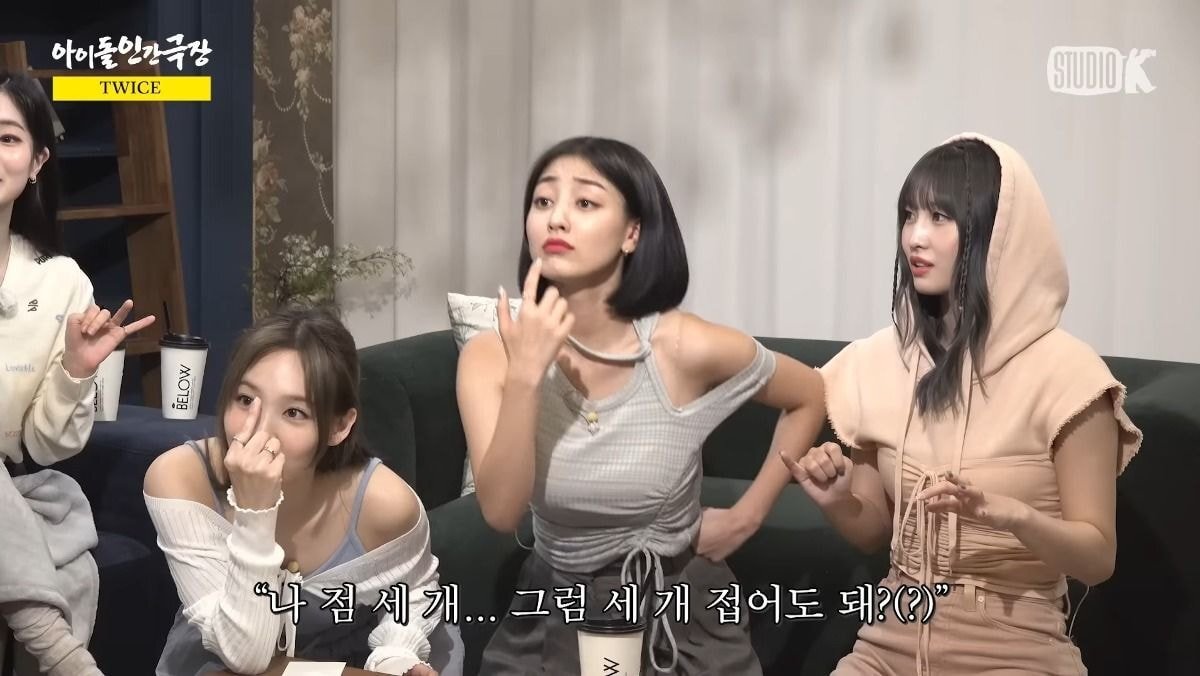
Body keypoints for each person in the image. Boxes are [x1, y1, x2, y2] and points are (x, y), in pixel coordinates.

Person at [457, 136, 827, 674]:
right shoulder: (489, 356)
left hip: (683, 608)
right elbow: (500, 511)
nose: (556, 217)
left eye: (585, 202)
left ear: (632, 233)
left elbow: (809, 394)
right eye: (543, 201)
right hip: (557, 607)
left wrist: (747, 517)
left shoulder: (681, 345)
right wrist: (525, 377)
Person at [782, 133, 1143, 675]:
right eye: (909, 216)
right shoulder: (877, 363)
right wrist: (837, 502)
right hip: (889, 641)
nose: (915, 237)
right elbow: (874, 530)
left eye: (940, 218)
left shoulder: (1070, 376)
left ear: (996, 233)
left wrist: (1013, 516)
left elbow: (1097, 559)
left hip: (1017, 647)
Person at [143, 306, 463, 676]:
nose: (257, 429)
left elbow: (415, 594)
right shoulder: (179, 479)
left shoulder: (385, 503)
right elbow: (245, 657)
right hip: (227, 651)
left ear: (339, 426)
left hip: (355, 656)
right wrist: (255, 512)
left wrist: (396, 655)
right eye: (245, 399)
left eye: (294, 412)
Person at [0, 70, 154, 676]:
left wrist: (73, 371)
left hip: (19, 495)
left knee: (71, 567)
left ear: (37, 161)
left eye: (7, 138)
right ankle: (67, 660)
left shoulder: (61, 282)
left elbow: (44, 446)